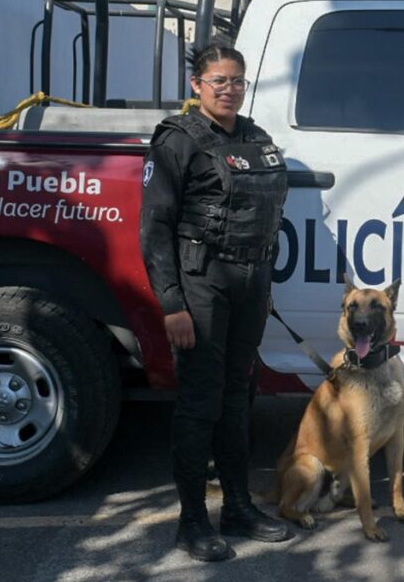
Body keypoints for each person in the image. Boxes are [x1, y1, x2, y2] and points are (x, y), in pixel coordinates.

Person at [140, 42, 292, 562]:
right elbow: (155, 228)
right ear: (196, 86)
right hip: (201, 285)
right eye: (218, 81)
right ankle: (191, 522)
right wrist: (172, 304)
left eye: (237, 81)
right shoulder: (178, 141)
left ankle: (239, 508)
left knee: (237, 398)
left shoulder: (255, 137)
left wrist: (263, 286)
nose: (229, 90)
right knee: (200, 402)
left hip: (250, 284)